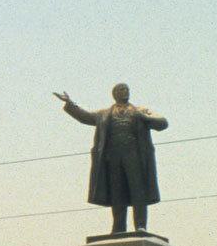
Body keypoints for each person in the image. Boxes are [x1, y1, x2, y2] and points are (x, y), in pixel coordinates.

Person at [55, 83, 169, 235]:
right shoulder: (104, 113)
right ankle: (118, 227)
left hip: (134, 156)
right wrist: (70, 103)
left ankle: (141, 225)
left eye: (127, 90)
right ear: (114, 94)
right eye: (122, 90)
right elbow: (86, 117)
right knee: (117, 192)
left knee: (138, 191)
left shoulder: (140, 111)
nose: (125, 92)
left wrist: (143, 117)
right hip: (113, 158)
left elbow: (162, 123)